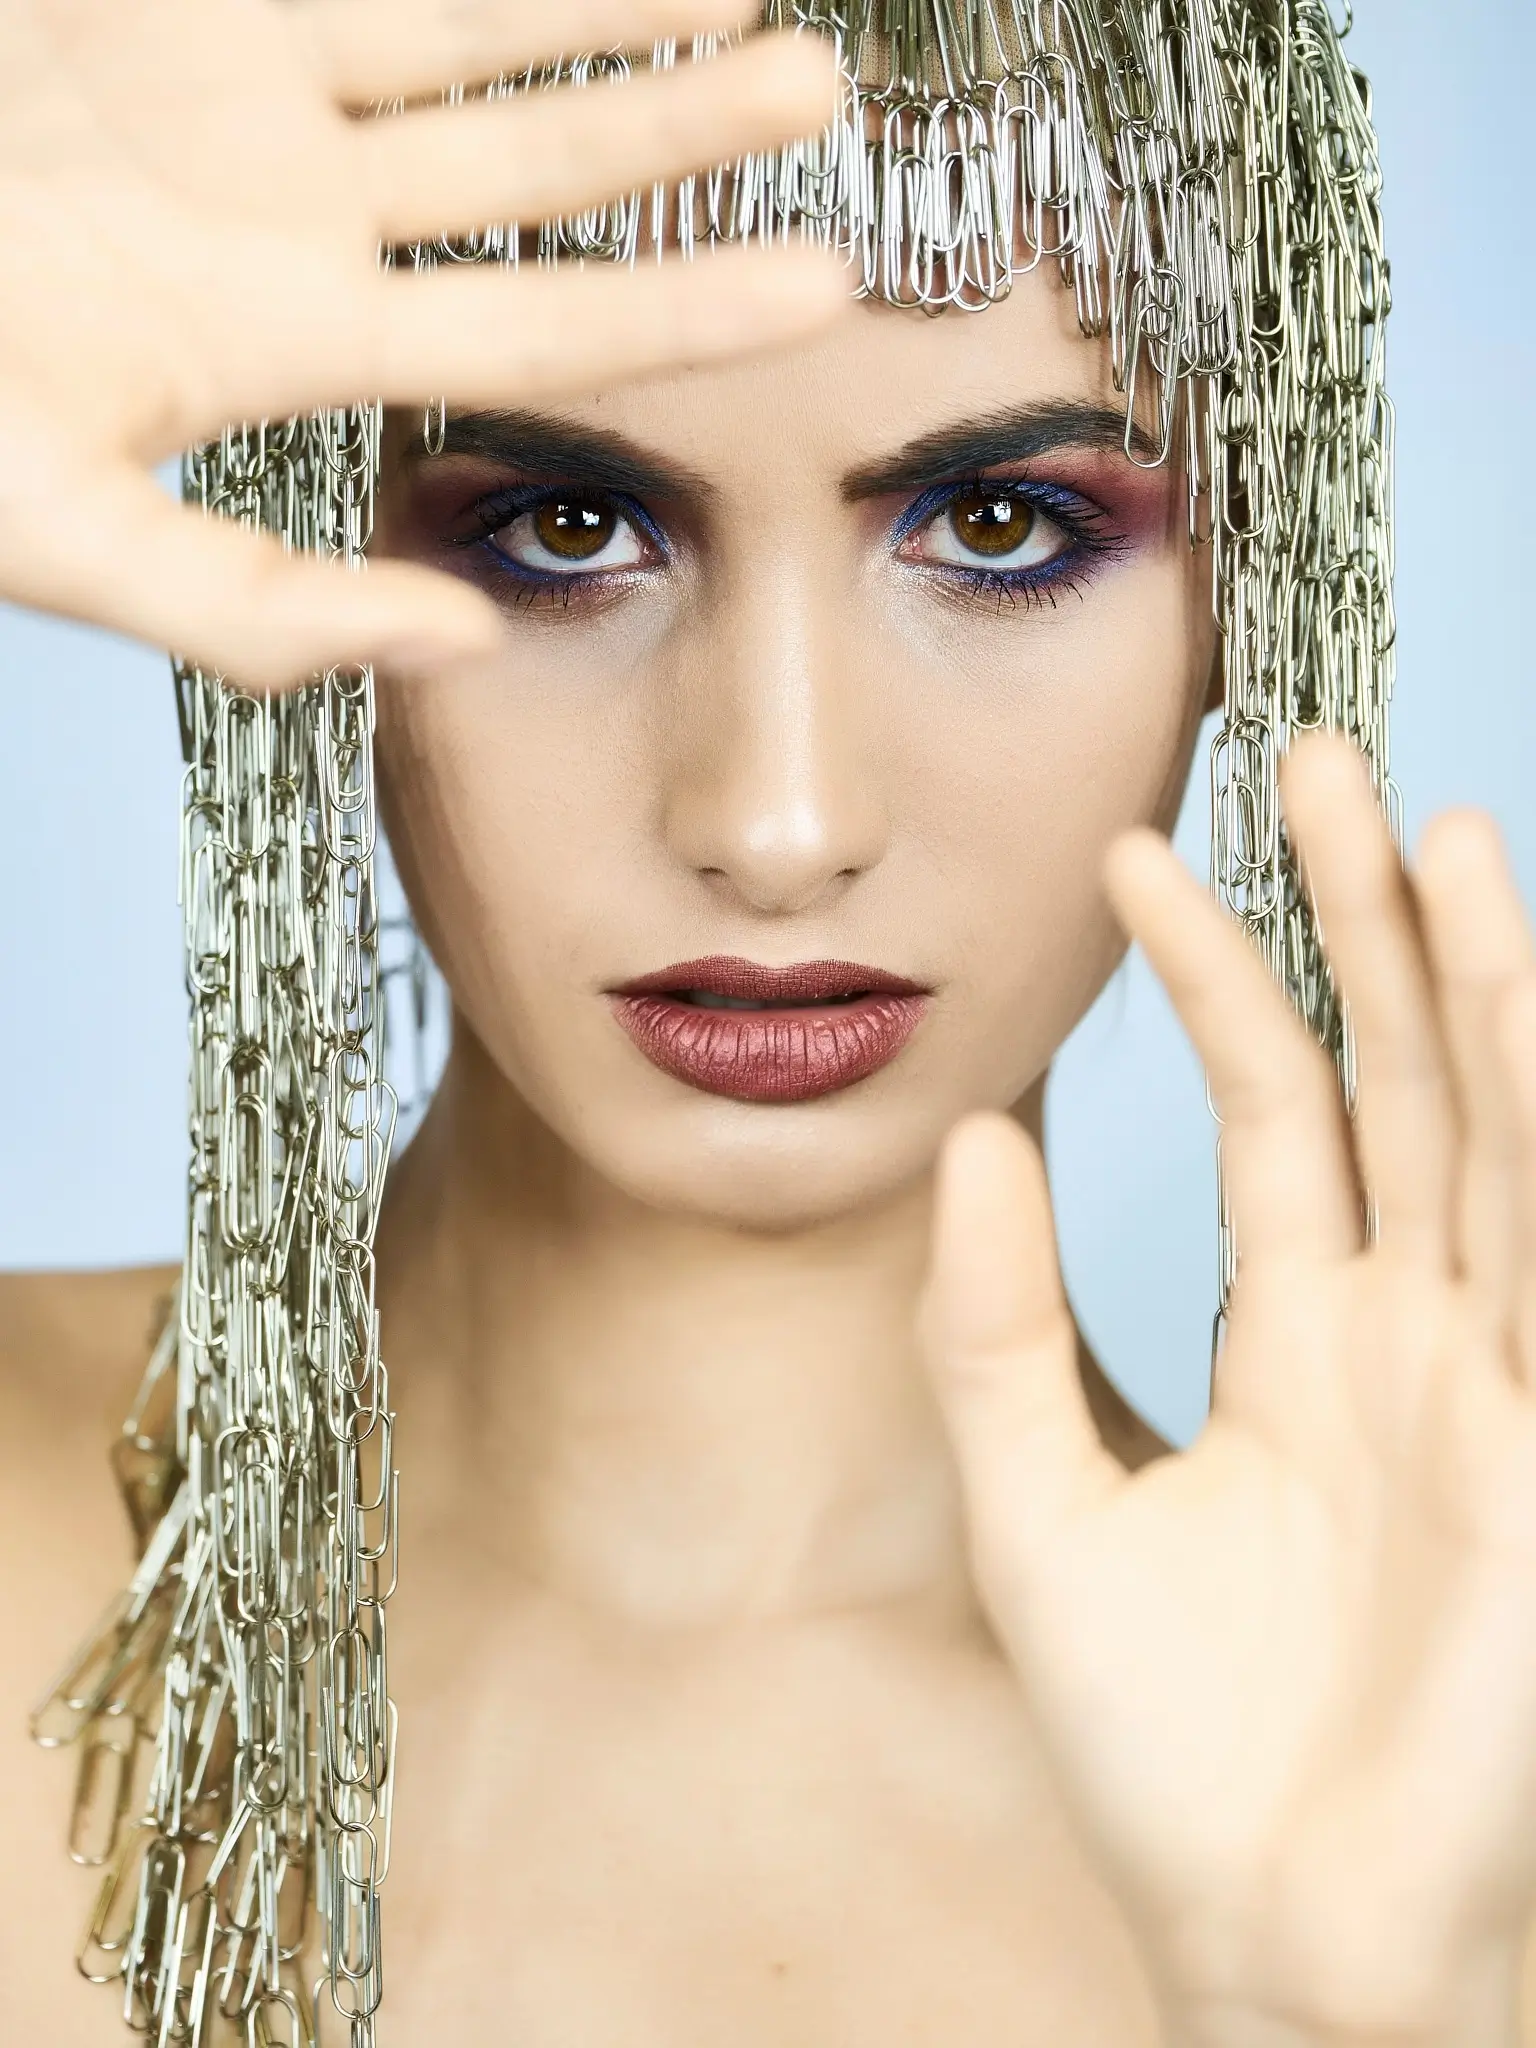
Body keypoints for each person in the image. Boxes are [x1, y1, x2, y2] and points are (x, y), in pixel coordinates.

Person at [5, 3, 1536, 2046]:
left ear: (1254, 586)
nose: (776, 821)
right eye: (565, 526)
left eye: (998, 527)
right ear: (297, 526)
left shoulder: (1415, 1786)